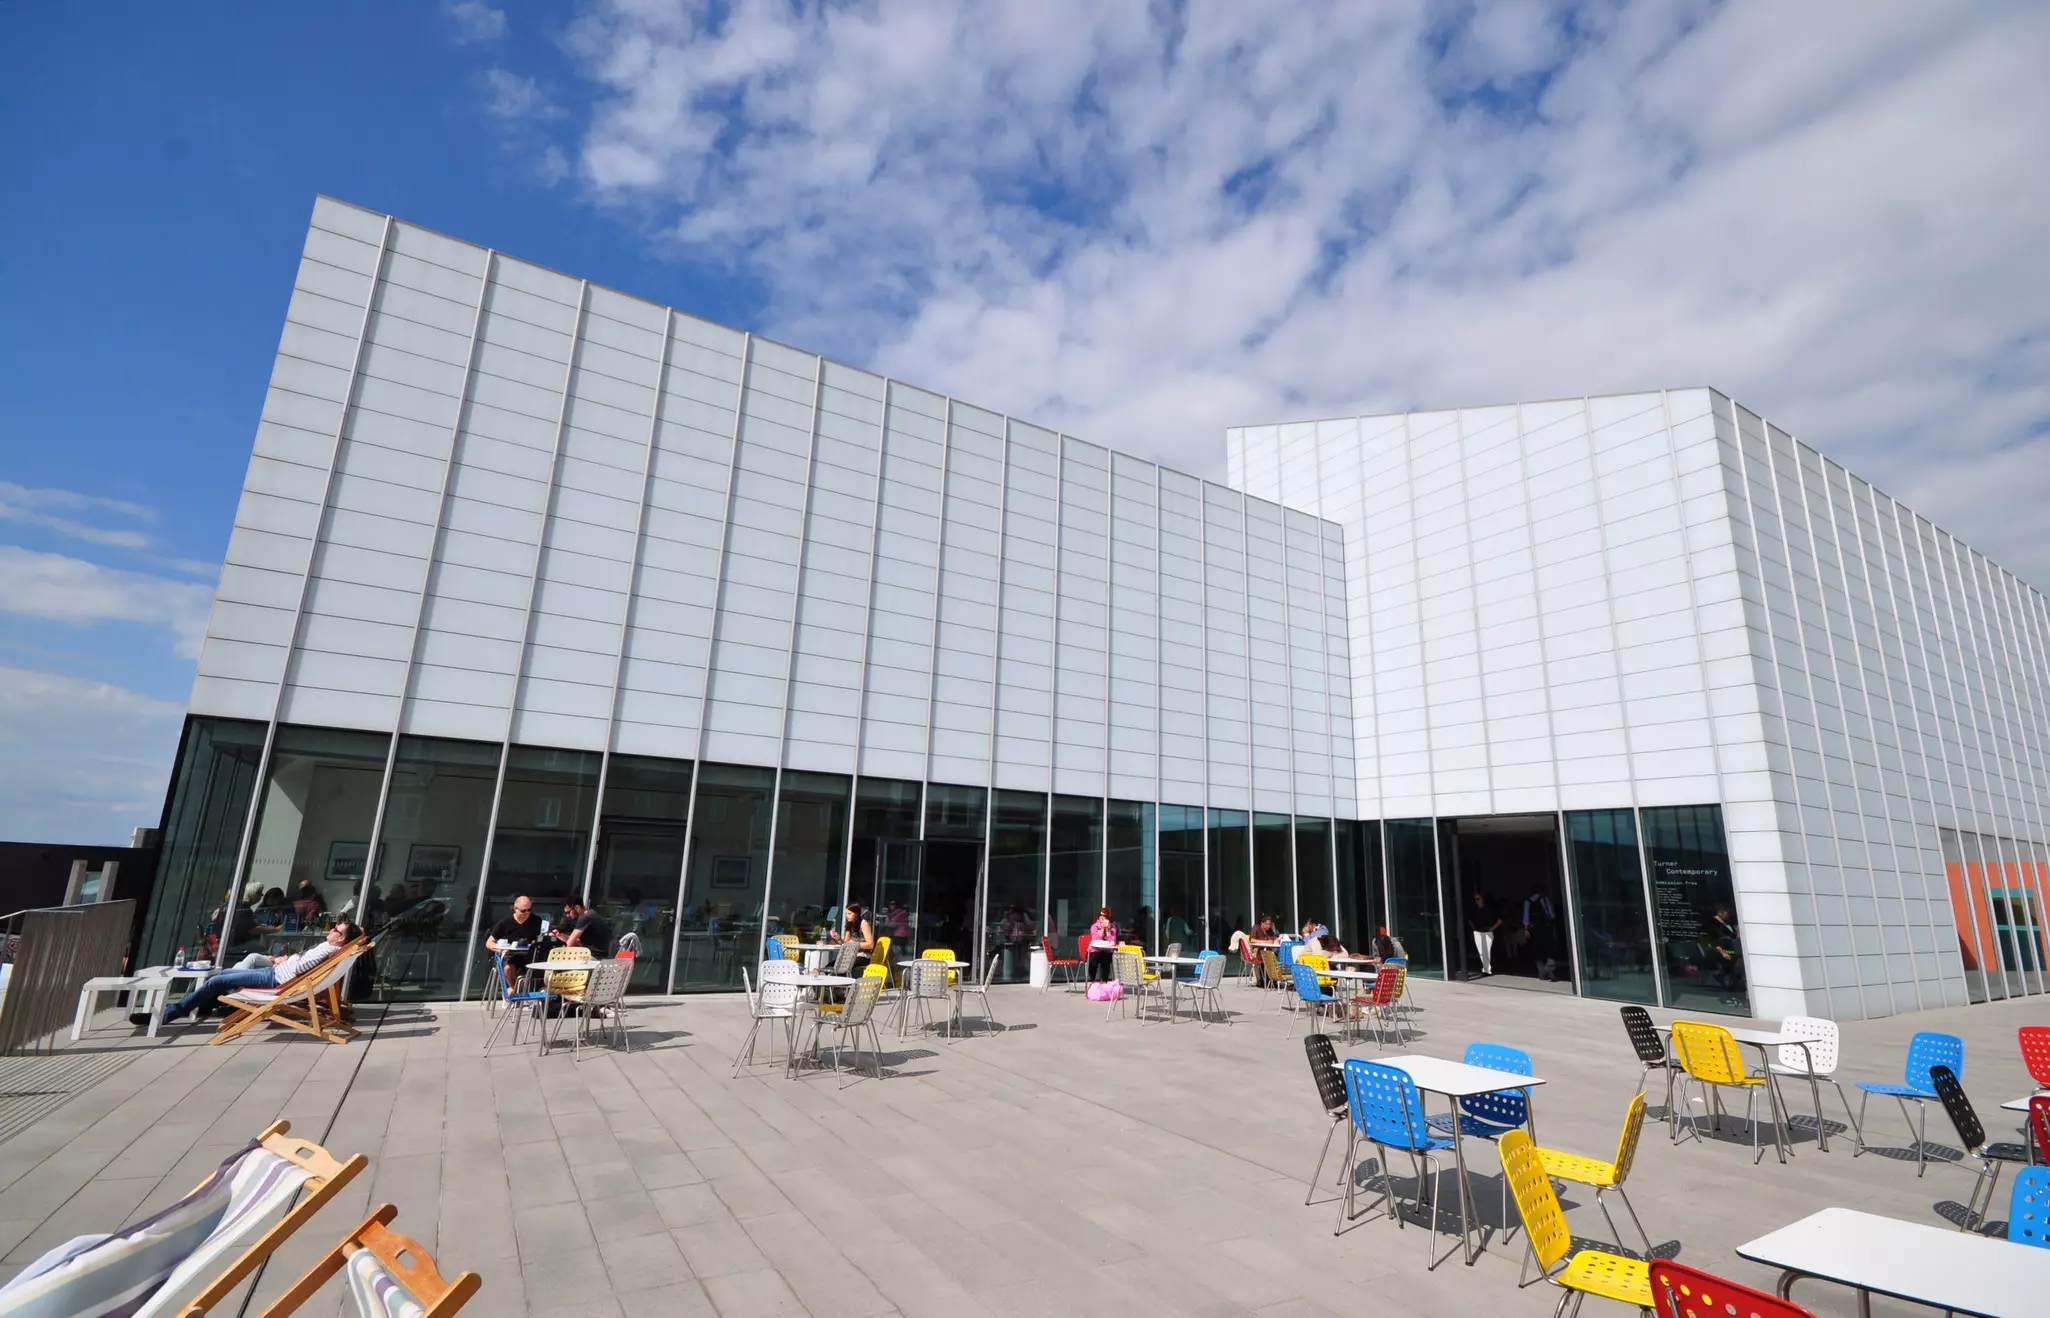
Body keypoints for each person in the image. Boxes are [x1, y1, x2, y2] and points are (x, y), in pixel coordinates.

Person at [160, 921, 361, 1025]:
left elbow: (300, 968)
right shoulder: (332, 947)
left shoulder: (329, 949)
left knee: (215, 982)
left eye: (336, 929)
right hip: (274, 972)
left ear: (341, 939)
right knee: (221, 977)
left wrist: (289, 959)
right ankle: (197, 1005)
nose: (332, 929)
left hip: (274, 980)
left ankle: (175, 1011)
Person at [485, 895, 542, 992]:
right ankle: (514, 988)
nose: (527, 913)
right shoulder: (504, 923)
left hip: (529, 955)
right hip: (510, 955)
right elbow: (489, 942)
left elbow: (543, 937)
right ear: (515, 909)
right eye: (523, 911)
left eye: (529, 910)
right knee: (508, 968)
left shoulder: (536, 921)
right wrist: (500, 950)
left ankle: (518, 991)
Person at [1468, 891, 1501, 976]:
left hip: (1487, 931)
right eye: (1475, 899)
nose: (1476, 900)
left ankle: (1487, 969)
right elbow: (1469, 919)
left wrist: (1493, 928)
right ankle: (1486, 969)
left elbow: (1500, 920)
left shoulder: (1489, 909)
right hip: (1478, 932)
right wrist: (1473, 928)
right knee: (1481, 951)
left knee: (1487, 950)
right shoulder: (1473, 909)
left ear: (1482, 899)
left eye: (1478, 898)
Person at [1086, 906, 1119, 982]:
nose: (1102, 917)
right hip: (1095, 950)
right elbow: (1096, 939)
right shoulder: (1094, 926)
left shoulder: (1113, 928)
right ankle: (1092, 980)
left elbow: (1112, 942)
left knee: (1107, 959)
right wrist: (1102, 929)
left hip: (1106, 951)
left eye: (1105, 916)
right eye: (1100, 915)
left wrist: (1107, 930)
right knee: (1094, 958)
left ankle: (1104, 981)